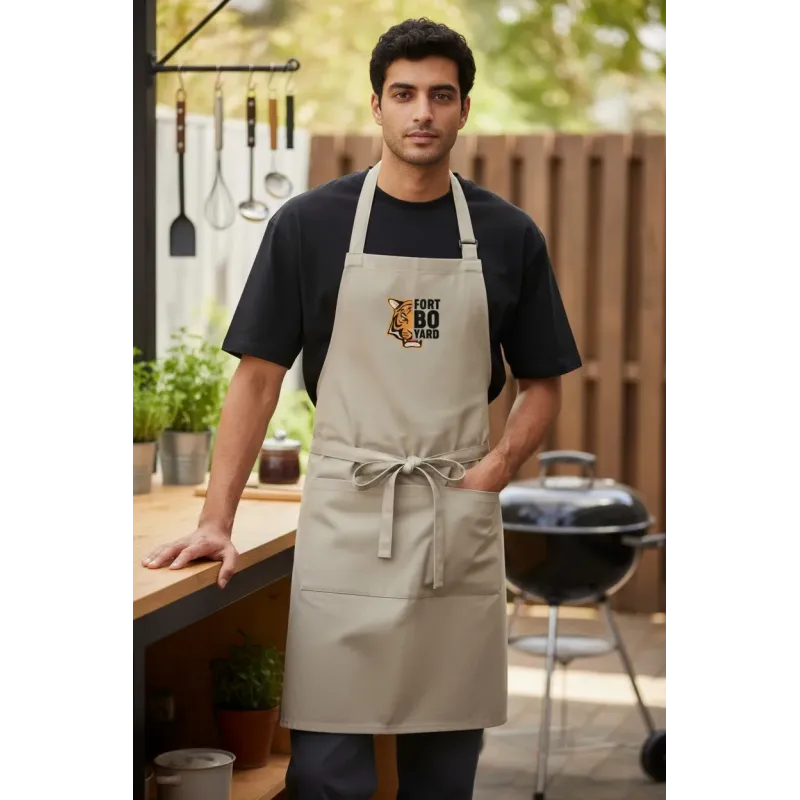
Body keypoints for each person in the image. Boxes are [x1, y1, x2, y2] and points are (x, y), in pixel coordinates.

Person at [142, 17, 581, 800]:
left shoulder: (509, 235)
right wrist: (217, 518)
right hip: (349, 514)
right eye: (404, 94)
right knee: (328, 772)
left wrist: (497, 469)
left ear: (464, 109)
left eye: (440, 96)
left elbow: (543, 381)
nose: (422, 112)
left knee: (444, 769)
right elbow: (255, 378)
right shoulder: (309, 225)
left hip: (455, 511)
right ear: (376, 105)